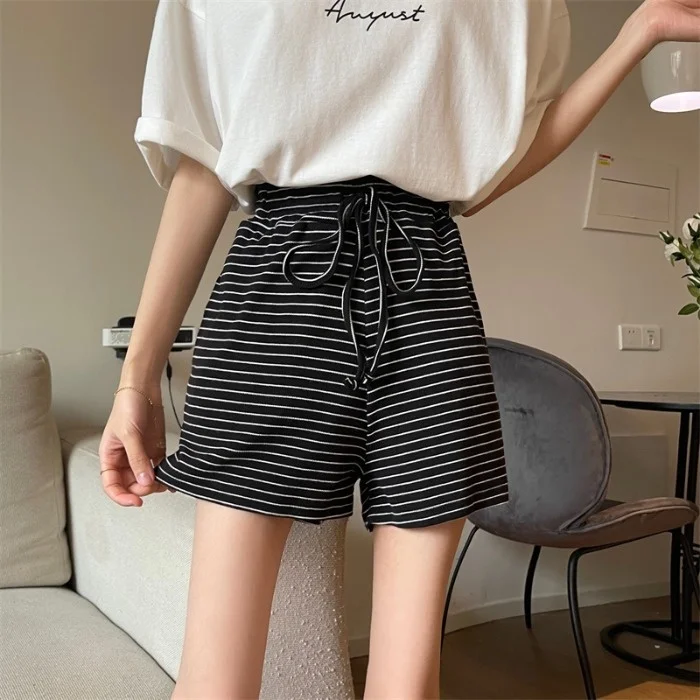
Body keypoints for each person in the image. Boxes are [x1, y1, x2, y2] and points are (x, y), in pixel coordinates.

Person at [99, 1, 700, 697]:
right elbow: (203, 160)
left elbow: (499, 156)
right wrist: (137, 379)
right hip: (277, 297)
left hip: (428, 292)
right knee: (217, 682)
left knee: (409, 685)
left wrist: (638, 34)